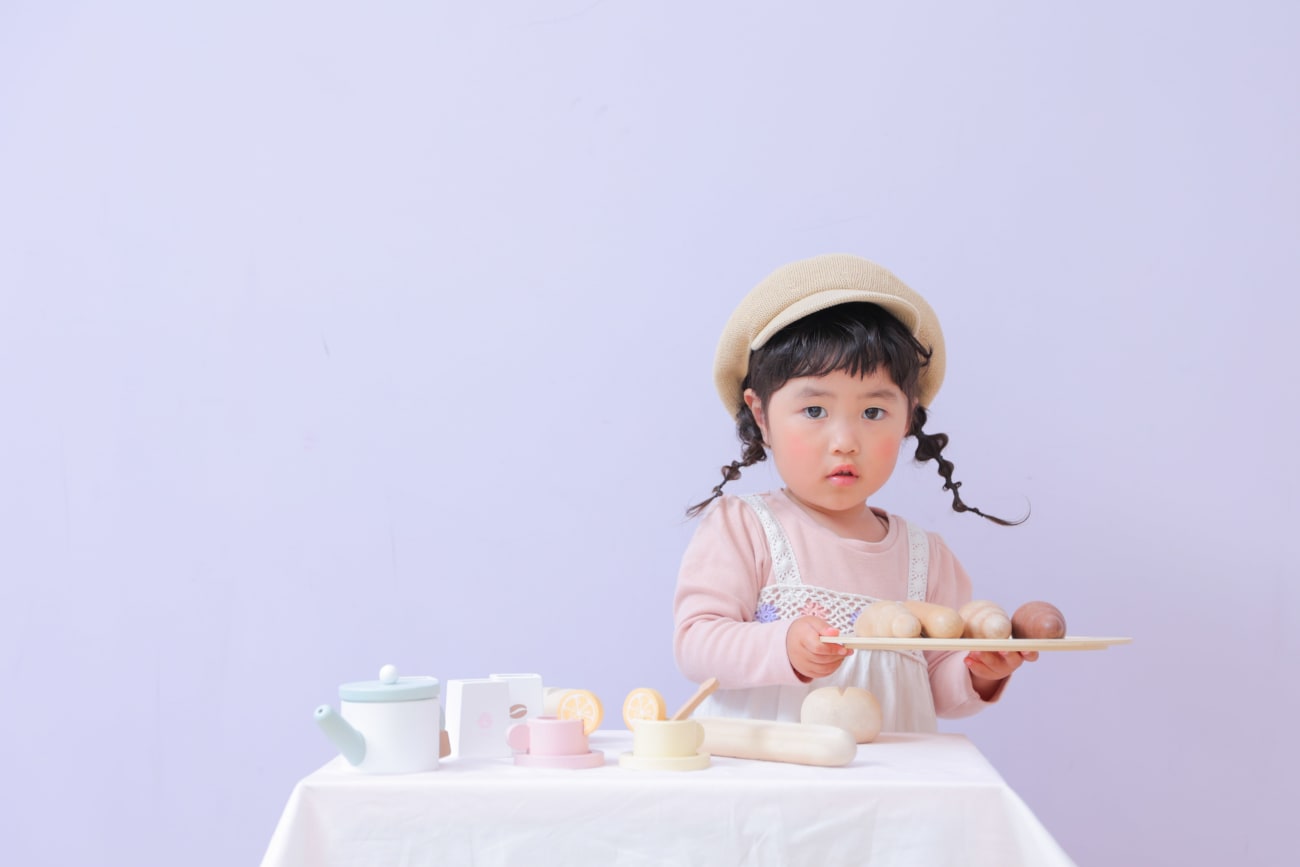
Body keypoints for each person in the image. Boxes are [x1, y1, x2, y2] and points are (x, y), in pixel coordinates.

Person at [673, 253, 1035, 732]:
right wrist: (783, 646)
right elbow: (696, 644)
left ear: (908, 417)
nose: (845, 441)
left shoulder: (926, 557)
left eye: (873, 413)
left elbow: (938, 689)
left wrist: (980, 673)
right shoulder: (745, 528)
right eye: (815, 411)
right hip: (774, 784)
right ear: (761, 415)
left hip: (889, 791)